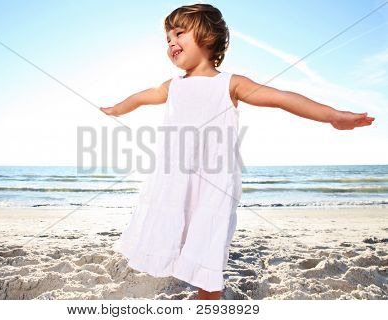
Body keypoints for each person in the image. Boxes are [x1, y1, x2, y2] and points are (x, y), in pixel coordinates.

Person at [100, 3, 375, 300]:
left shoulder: (230, 84)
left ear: (206, 36)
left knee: (210, 241)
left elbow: (282, 98)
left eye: (179, 33)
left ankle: (209, 297)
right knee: (173, 232)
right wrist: (118, 108)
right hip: (175, 178)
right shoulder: (172, 86)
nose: (171, 42)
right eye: (167, 38)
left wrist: (333, 115)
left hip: (215, 182)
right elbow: (143, 97)